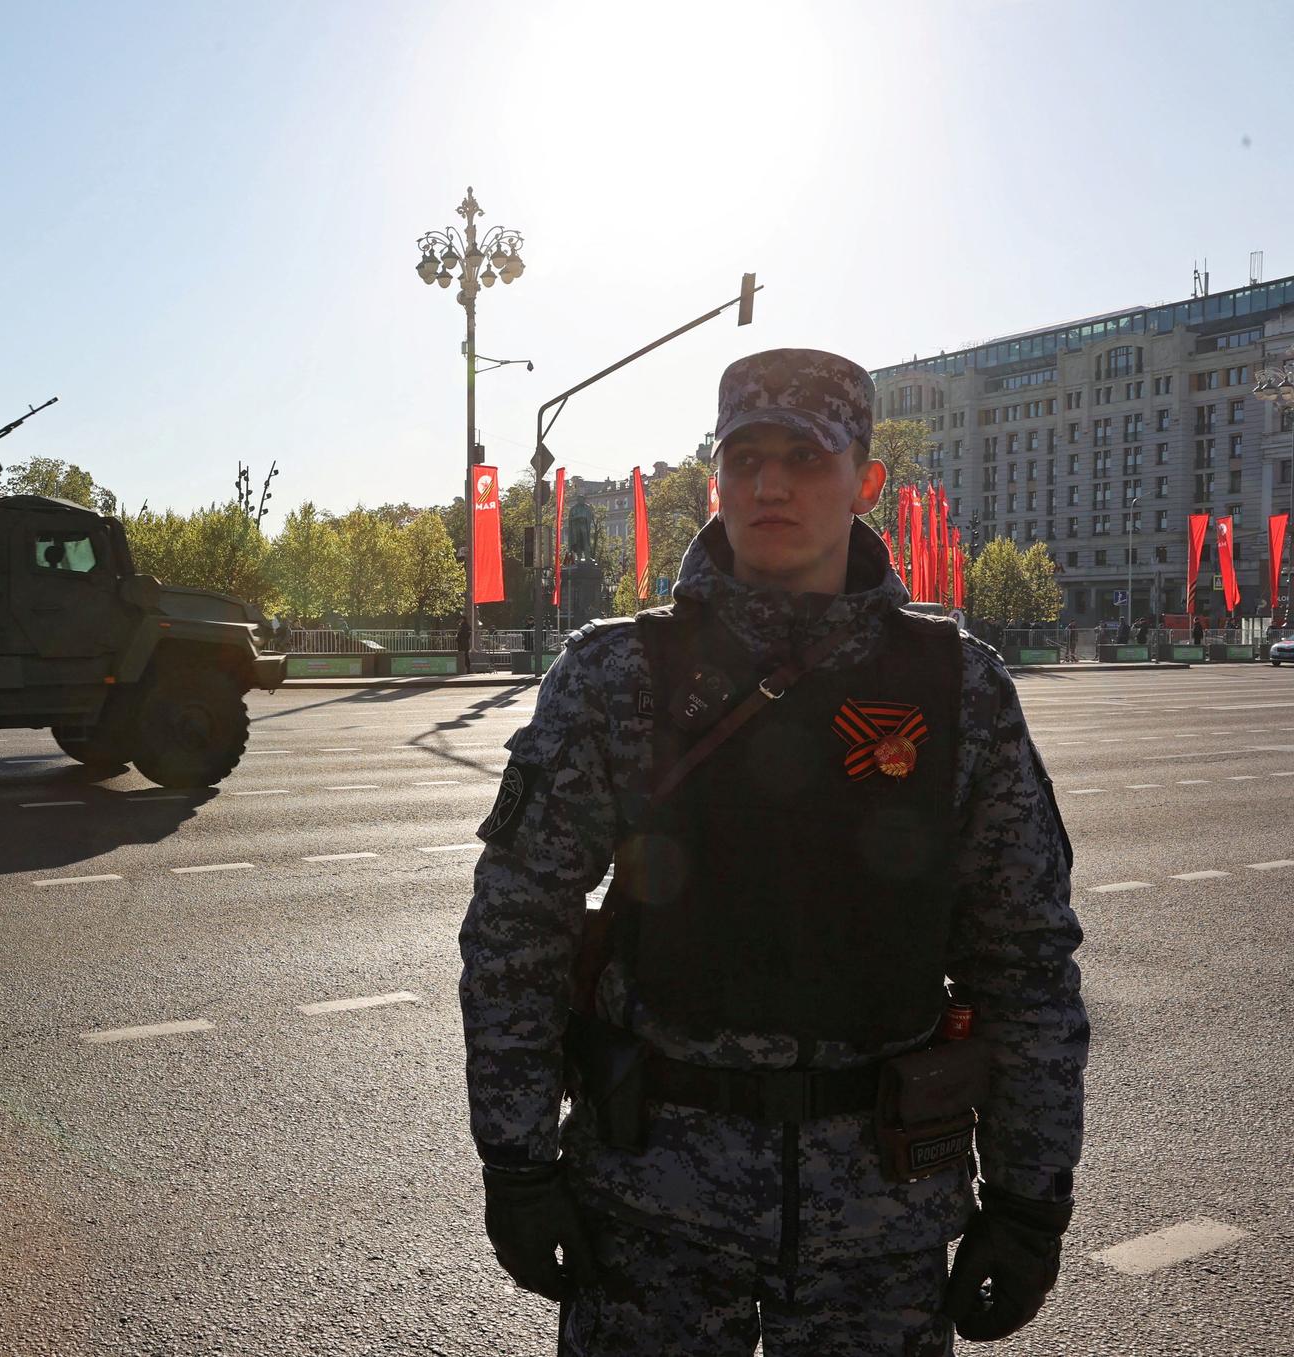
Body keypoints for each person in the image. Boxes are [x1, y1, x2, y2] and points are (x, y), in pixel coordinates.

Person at [460, 348, 1087, 1355]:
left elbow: (1021, 959)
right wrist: (517, 1160)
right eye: (743, 456)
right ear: (715, 474)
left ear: (865, 481)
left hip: (878, 1222)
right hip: (649, 1212)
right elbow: (516, 927)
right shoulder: (616, 676)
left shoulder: (958, 691)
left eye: (803, 455)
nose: (767, 484)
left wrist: (1027, 1197)